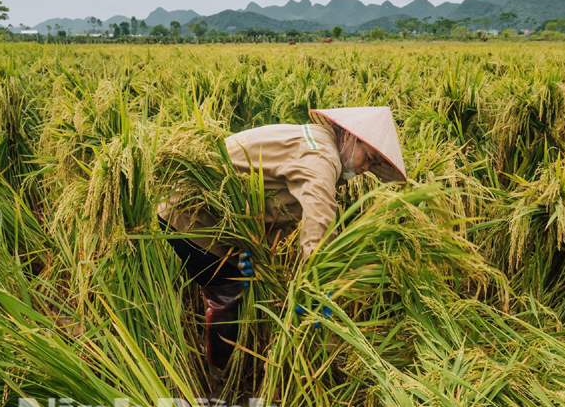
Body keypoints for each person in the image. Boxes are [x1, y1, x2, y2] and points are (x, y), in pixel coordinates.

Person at [157, 106, 407, 372]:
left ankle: (227, 362)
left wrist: (255, 248)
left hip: (208, 216)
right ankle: (222, 375)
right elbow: (319, 219)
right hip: (191, 214)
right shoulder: (322, 156)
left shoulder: (314, 141)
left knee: (241, 282)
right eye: (366, 157)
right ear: (348, 137)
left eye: (372, 165)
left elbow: (280, 212)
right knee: (229, 293)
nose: (365, 168)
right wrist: (317, 285)